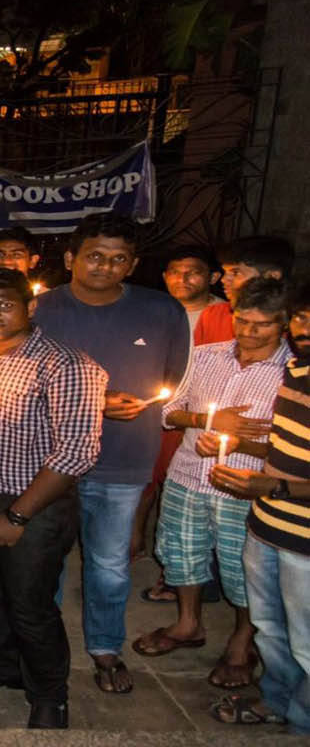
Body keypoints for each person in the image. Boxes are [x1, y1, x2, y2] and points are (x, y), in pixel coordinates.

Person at [31, 214, 189, 694]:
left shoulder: (162, 312)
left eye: (119, 259)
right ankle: (42, 647)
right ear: (70, 258)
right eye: (95, 256)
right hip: (49, 459)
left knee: (109, 564)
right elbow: (22, 382)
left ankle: (105, 647)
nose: (105, 266)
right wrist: (93, 402)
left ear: (133, 265)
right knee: (44, 562)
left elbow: (173, 380)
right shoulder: (39, 310)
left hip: (123, 456)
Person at [0, 267, 106, 730]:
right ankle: (4, 666)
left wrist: (17, 516)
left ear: (30, 306)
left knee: (30, 604)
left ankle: (49, 694)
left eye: (4, 305)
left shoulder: (67, 365)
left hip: (33, 506)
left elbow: (76, 452)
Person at [136, 278, 291, 691]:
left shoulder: (291, 371)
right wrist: (207, 420)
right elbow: (169, 409)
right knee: (181, 552)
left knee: (244, 569)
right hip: (188, 474)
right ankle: (188, 623)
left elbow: (295, 446)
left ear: (283, 323)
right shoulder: (206, 355)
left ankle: (243, 640)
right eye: (242, 320)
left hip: (244, 485)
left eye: (262, 324)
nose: (248, 332)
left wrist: (242, 443)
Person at [203, 283, 310, 732]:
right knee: (270, 627)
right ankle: (278, 700)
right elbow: (286, 448)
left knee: (306, 641)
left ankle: (302, 721)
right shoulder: (296, 371)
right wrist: (238, 447)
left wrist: (276, 485)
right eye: (302, 317)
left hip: (304, 539)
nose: (305, 328)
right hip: (265, 524)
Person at [138, 246, 227, 598]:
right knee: (147, 481)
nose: (182, 279)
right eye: (175, 272)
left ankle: (190, 576)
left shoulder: (225, 316)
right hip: (156, 409)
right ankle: (138, 546)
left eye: (193, 272)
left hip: (202, 418)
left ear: (213, 277)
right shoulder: (154, 311)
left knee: (190, 495)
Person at [194, 237, 293, 345]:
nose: (224, 280)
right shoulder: (213, 315)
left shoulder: (297, 323)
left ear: (271, 276)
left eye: (236, 273)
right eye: (225, 272)